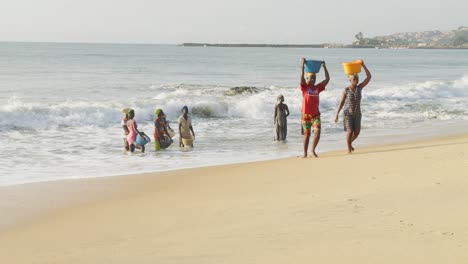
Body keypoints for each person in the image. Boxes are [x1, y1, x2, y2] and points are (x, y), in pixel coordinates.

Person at [335, 60, 372, 153]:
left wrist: (363, 65)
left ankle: (349, 143)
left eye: (357, 79)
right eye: (354, 79)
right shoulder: (346, 90)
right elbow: (342, 102)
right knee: (350, 131)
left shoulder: (360, 88)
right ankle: (349, 149)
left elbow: (369, 77)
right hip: (348, 113)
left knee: (357, 132)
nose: (356, 81)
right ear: (350, 80)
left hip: (357, 113)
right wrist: (337, 113)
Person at [300, 57, 330, 158]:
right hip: (305, 116)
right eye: (311, 78)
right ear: (307, 78)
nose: (313, 79)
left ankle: (312, 150)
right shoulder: (304, 88)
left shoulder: (318, 87)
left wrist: (324, 67)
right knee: (307, 135)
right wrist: (302, 65)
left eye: (314, 78)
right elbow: (301, 78)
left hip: (316, 115)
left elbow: (327, 79)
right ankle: (304, 153)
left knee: (317, 133)